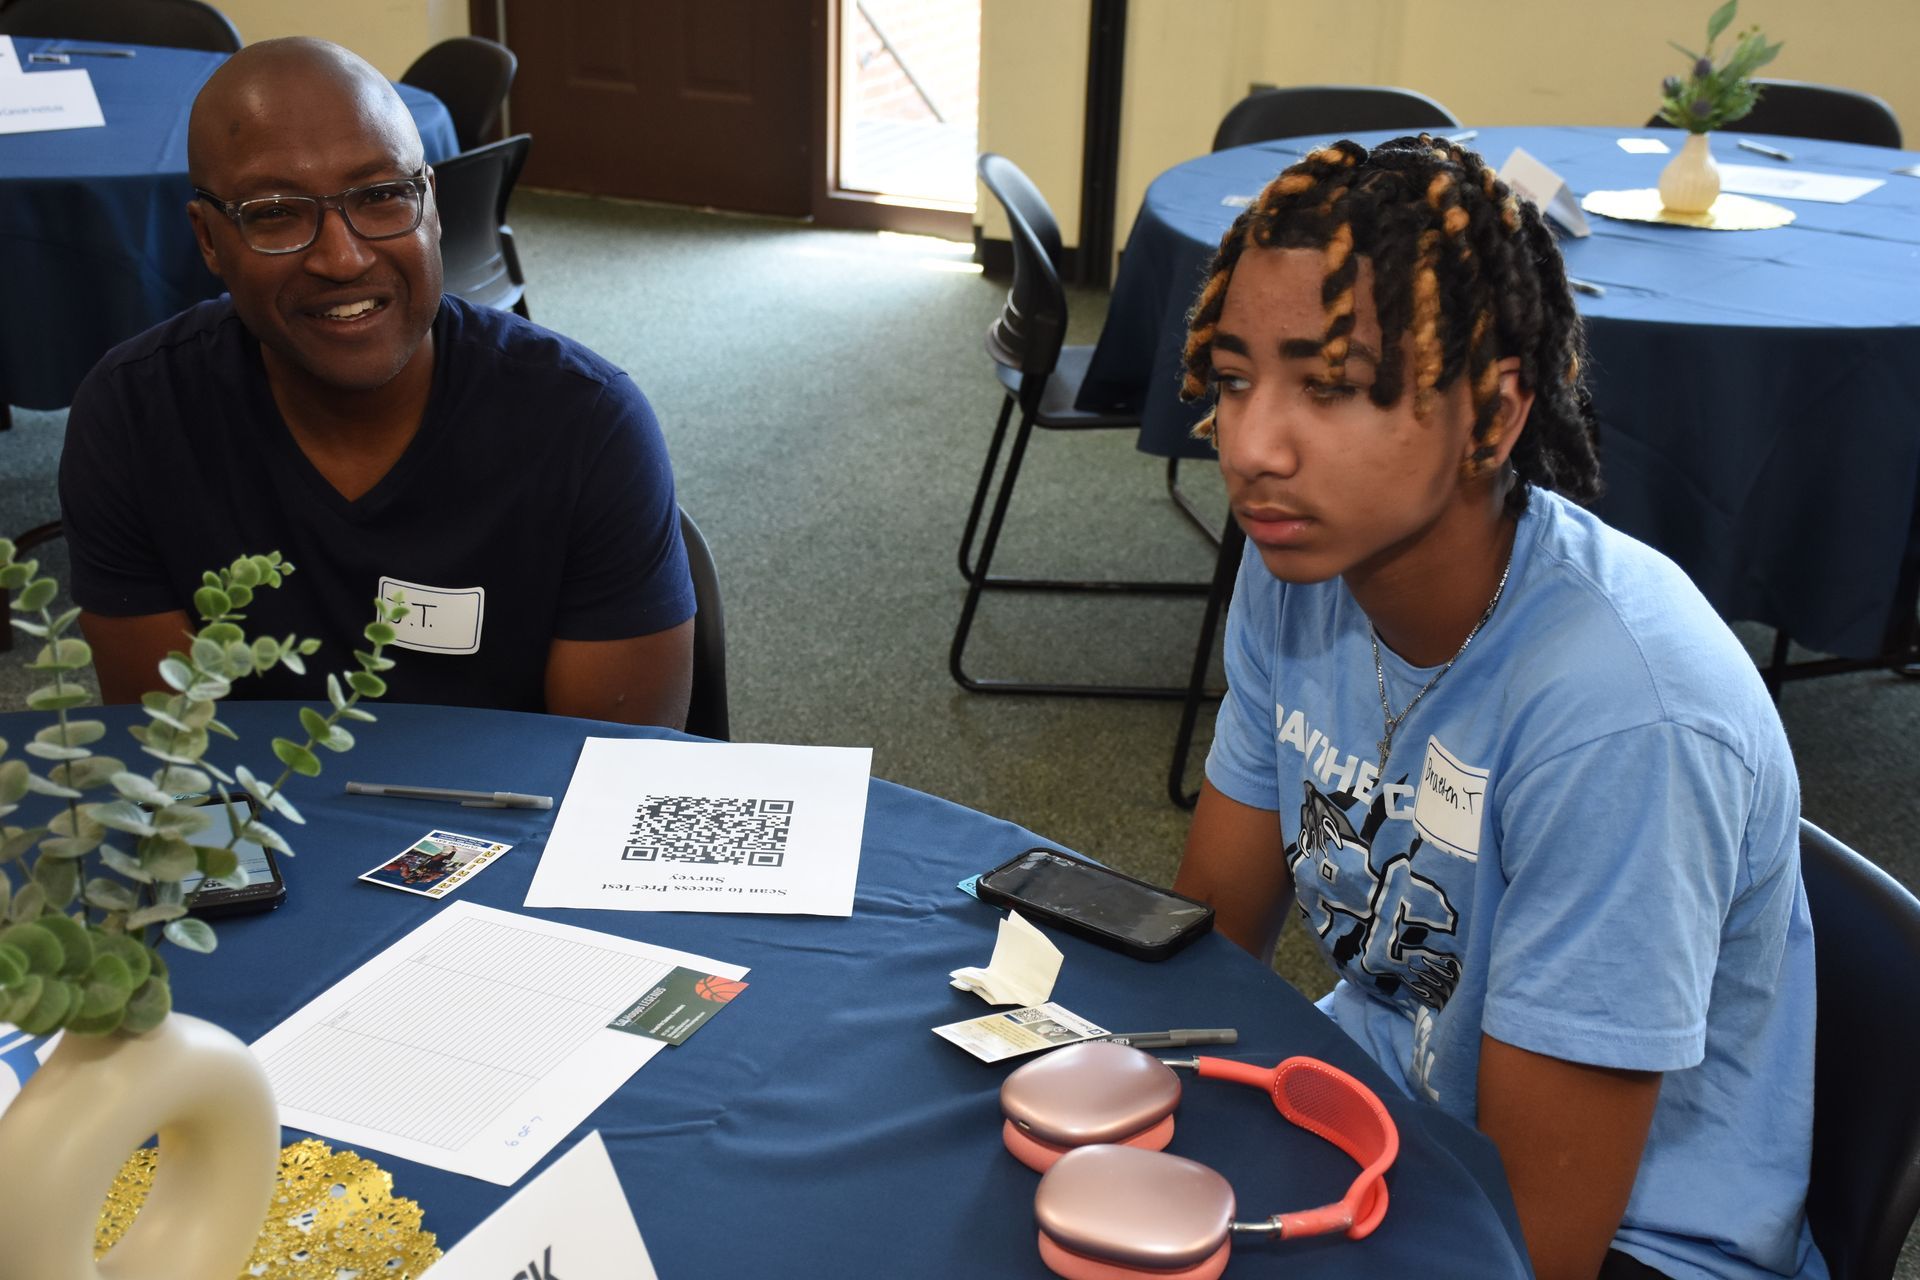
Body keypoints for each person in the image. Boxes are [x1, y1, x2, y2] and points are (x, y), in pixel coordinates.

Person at [1170, 136, 1821, 1280]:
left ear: (1496, 414)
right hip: (1386, 1124)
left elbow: (1538, 1245)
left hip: (1627, 1243)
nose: (1253, 446)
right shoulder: (1297, 577)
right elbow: (1201, 950)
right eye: (1234, 378)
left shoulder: (1622, 719)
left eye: (1328, 386)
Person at [58, 38, 695, 726]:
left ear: (433, 204)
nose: (343, 257)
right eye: (275, 213)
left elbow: (612, 780)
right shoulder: (134, 418)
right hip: (254, 826)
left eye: (383, 196)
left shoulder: (586, 426)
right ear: (208, 239)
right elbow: (171, 765)